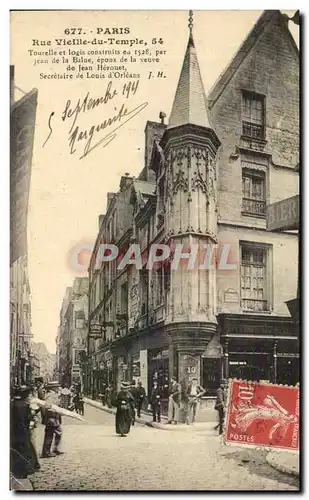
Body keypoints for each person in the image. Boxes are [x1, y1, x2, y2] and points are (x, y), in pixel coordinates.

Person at [10, 386, 40, 479]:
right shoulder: (25, 404)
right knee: (24, 451)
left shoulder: (12, 404)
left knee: (16, 451)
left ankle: (17, 470)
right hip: (23, 431)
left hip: (14, 431)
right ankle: (24, 471)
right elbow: (28, 418)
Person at [41, 388, 64, 457]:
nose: (59, 388)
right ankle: (46, 452)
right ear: (54, 388)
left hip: (54, 418)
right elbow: (48, 407)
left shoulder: (53, 395)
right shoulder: (50, 396)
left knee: (58, 433)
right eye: (57, 387)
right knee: (49, 435)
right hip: (51, 419)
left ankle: (55, 449)